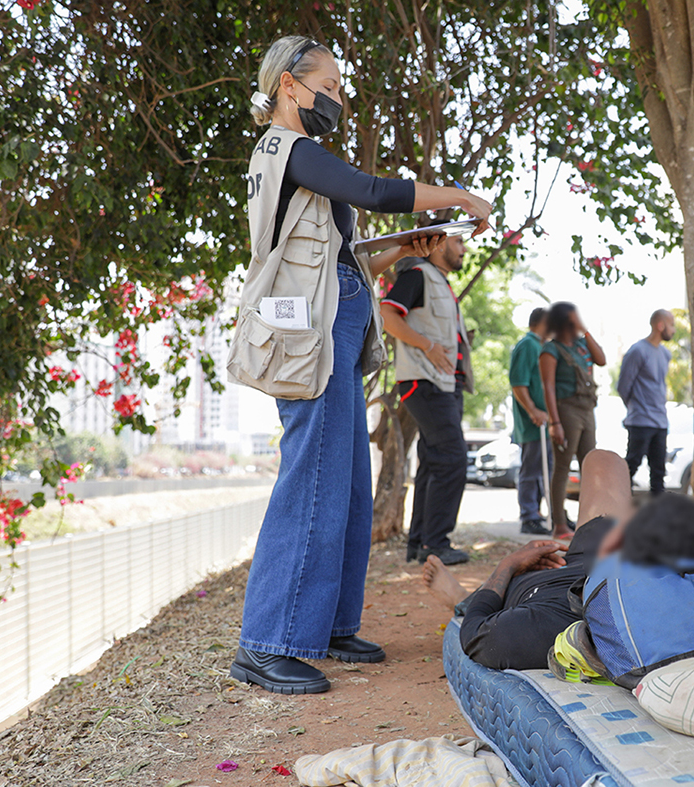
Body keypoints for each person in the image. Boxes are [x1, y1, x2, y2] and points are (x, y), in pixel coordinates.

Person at [229, 36, 491, 695]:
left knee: (345, 480)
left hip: (333, 324)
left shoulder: (289, 157)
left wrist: (394, 248)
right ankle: (266, 642)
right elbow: (372, 189)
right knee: (313, 480)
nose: (338, 99)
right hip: (311, 333)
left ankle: (328, 625)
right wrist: (456, 197)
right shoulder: (290, 148)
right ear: (291, 85)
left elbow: (338, 251)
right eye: (332, 86)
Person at [421, 450, 694, 671]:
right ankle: (466, 594)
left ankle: (462, 596)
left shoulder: (544, 623)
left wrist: (506, 566)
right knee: (603, 461)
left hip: (571, 580)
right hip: (611, 569)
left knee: (601, 461)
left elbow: (477, 637)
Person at [382, 222, 477, 566]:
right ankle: (436, 544)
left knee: (435, 460)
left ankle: (421, 543)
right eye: (458, 241)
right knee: (453, 459)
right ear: (437, 243)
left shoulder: (439, 281)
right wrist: (428, 345)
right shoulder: (418, 275)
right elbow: (386, 314)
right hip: (425, 382)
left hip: (444, 384)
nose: (464, 249)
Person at [539, 302, 606, 538]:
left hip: (587, 408)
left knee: (590, 465)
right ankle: (559, 524)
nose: (576, 321)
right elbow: (548, 387)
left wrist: (584, 329)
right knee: (563, 466)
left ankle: (586, 522)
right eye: (573, 318)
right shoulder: (551, 349)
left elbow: (601, 359)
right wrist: (554, 423)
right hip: (566, 410)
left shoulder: (581, 345)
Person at [617, 310, 675, 495]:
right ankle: (619, 512)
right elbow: (623, 386)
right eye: (671, 325)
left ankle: (658, 519)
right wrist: (636, 408)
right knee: (630, 467)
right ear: (660, 325)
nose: (673, 330)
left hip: (660, 421)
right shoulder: (637, 351)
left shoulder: (665, 354)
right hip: (641, 421)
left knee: (658, 473)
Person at [509, 307, 553, 535]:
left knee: (545, 470)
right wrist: (533, 410)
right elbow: (518, 382)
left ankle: (542, 515)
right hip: (533, 423)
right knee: (531, 469)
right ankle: (528, 516)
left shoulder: (541, 347)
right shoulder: (528, 345)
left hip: (546, 423)